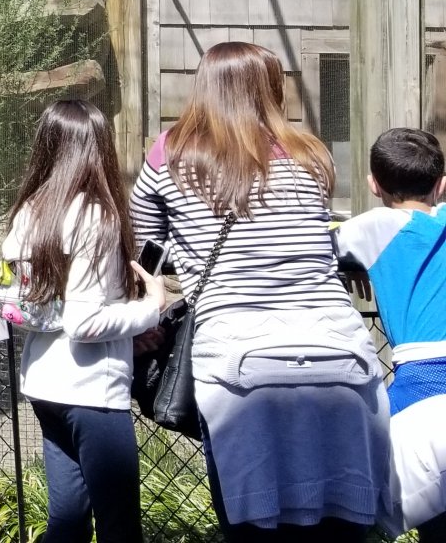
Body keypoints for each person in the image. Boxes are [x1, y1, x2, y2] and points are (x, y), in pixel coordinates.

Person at [130, 41, 393, 541]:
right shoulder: (311, 154)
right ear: (271, 89)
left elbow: (146, 253)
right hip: (339, 352)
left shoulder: (170, 155)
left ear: (204, 86)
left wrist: (152, 305)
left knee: (253, 524)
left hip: (238, 358)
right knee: (341, 522)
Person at [0, 99, 165, 543]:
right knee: (119, 526)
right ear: (98, 149)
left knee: (68, 521)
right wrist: (152, 306)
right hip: (93, 392)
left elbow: (36, 304)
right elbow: (84, 322)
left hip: (44, 386)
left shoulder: (29, 213)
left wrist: (128, 330)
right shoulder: (96, 216)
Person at [335, 127, 446, 541]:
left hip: (421, 384)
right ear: (441, 185)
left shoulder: (375, 227)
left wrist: (360, 267)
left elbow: (319, 248)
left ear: (373, 184)